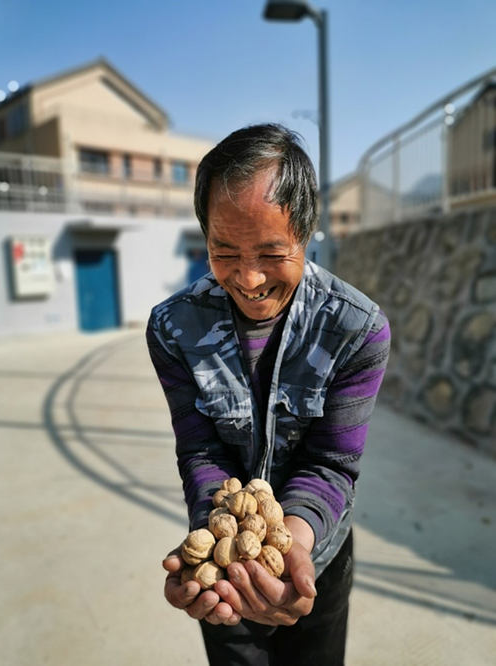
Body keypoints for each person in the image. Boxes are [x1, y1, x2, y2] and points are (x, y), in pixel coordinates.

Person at [146, 123, 390, 665]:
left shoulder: (356, 329)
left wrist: (294, 546)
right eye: (224, 250)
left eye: (271, 252)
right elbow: (200, 449)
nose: (249, 278)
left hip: (316, 558)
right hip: (224, 569)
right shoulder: (172, 328)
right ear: (203, 236)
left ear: (305, 234)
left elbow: (332, 462)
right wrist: (215, 542)